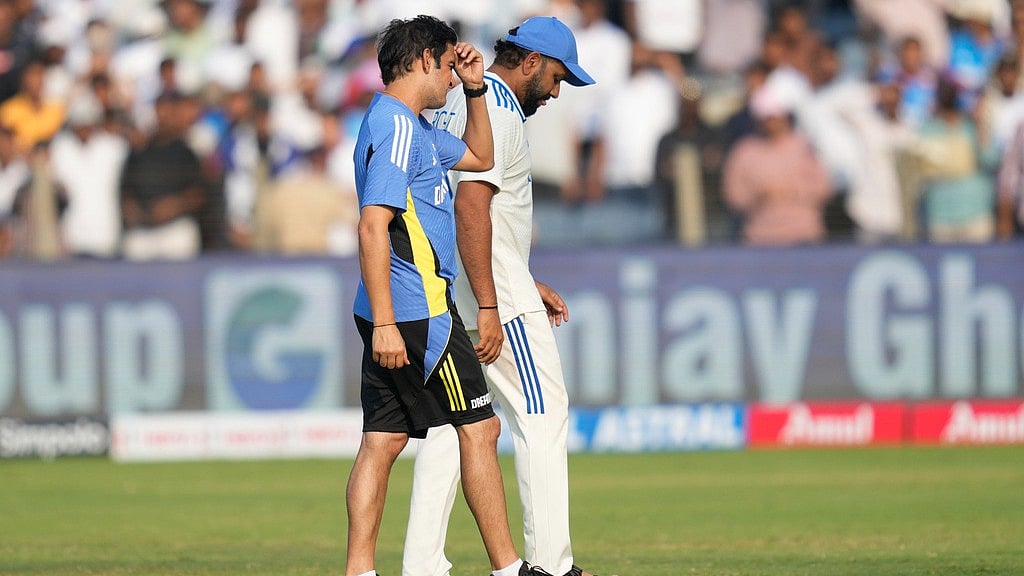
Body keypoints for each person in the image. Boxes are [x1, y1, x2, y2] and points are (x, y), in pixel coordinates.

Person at [346, 15, 551, 576]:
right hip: (421, 312)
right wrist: (388, 321)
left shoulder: (411, 123)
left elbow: (481, 158)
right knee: (481, 427)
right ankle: (510, 568)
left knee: (382, 441)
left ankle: (359, 571)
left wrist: (479, 88)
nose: (451, 80)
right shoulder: (399, 127)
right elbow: (372, 225)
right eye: (446, 67)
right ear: (421, 61)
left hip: (393, 310)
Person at [406, 16, 598, 576]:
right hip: (490, 292)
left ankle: (421, 565)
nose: (557, 93)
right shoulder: (497, 108)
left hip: (449, 282)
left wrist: (517, 275)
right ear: (532, 61)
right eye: (558, 78)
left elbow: (472, 209)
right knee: (542, 413)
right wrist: (493, 301)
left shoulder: (456, 102)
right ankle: (550, 566)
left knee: (455, 426)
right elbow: (470, 207)